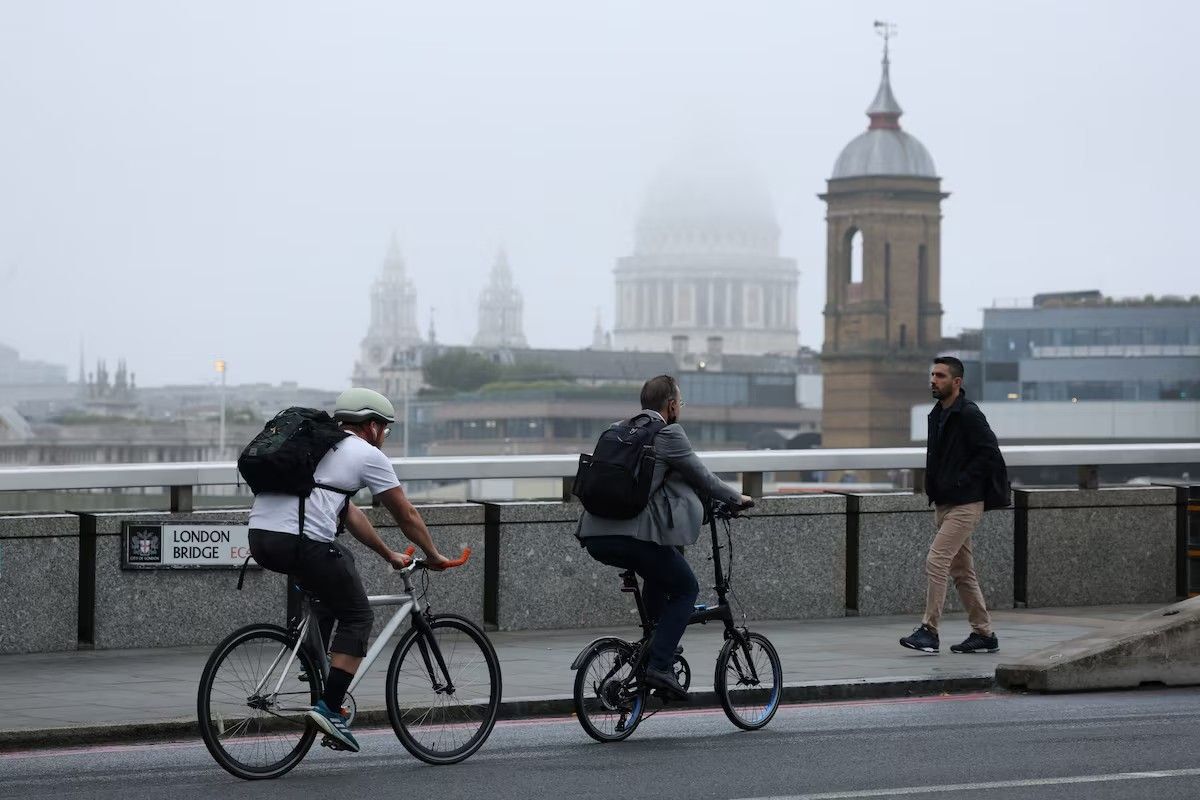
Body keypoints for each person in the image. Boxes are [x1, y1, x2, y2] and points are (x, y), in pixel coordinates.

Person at [248, 387, 450, 752]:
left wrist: (389, 554)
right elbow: (405, 514)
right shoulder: (364, 453)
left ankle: (316, 664)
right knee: (358, 614)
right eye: (385, 428)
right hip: (301, 542)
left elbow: (349, 513)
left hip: (261, 538)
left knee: (338, 574)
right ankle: (329, 707)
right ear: (371, 426)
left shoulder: (319, 445)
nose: (384, 436)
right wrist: (433, 554)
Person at [576, 374, 751, 698]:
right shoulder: (668, 433)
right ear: (671, 406)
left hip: (594, 535)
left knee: (659, 574)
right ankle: (659, 665)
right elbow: (703, 476)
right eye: (679, 403)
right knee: (686, 588)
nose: (679, 408)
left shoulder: (617, 430)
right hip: (633, 537)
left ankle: (653, 649)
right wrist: (737, 499)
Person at [900, 356, 1003, 655]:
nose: (933, 380)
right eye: (932, 375)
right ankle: (984, 634)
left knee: (936, 560)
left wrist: (961, 482)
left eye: (941, 376)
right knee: (963, 573)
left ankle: (929, 631)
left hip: (966, 503)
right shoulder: (937, 414)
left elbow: (990, 454)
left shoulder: (969, 414)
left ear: (957, 382)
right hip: (945, 503)